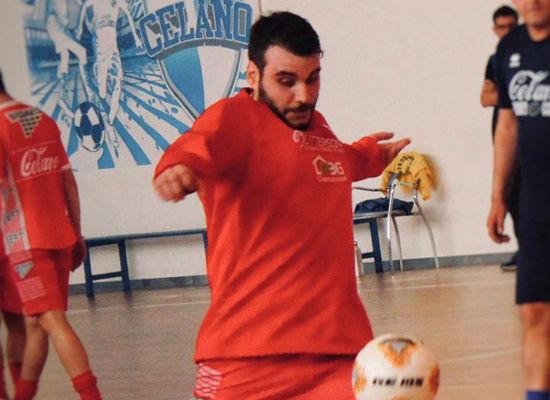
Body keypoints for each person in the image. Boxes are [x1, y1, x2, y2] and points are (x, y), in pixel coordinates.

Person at [154, 11, 410, 400]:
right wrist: (178, 169)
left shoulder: (318, 129)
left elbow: (336, 161)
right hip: (246, 357)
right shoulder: (235, 118)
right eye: (286, 81)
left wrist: (373, 155)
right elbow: (199, 145)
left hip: (337, 354)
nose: (303, 95)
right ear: (253, 76)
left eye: (313, 78)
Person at [0, 71, 103, 400]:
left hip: (24, 245)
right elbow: (67, 181)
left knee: (51, 321)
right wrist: (77, 233)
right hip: (59, 236)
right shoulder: (41, 119)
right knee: (36, 326)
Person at [487, 1, 550, 400]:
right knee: (534, 310)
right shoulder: (509, 49)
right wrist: (498, 197)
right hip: (535, 204)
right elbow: (507, 125)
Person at [481, 5, 520, 271]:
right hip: (505, 136)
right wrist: (508, 97)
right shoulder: (496, 60)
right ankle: (526, 249)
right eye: (501, 27)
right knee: (513, 194)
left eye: (511, 26)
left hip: (533, 138)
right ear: (495, 30)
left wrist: (502, 96)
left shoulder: (533, 54)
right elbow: (485, 98)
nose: (506, 32)